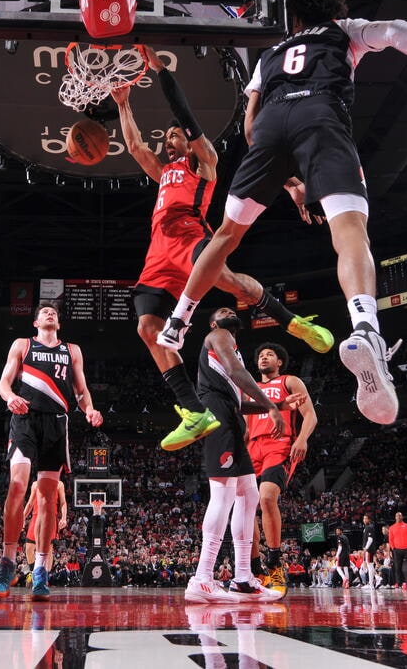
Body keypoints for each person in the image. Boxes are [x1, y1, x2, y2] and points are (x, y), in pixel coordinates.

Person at [156, 0, 407, 427]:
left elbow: (249, 127)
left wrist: (286, 178)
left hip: (269, 130)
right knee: (349, 229)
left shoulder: (269, 53)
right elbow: (400, 31)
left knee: (226, 235)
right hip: (320, 116)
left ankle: (178, 321)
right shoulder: (345, 30)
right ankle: (365, 327)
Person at [111, 45, 333, 453]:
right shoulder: (164, 174)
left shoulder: (204, 164)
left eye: (174, 133)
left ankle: (293, 323)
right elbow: (136, 147)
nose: (169, 138)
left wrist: (161, 74)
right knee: (147, 329)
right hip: (157, 255)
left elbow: (189, 122)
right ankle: (194, 411)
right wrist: (124, 103)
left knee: (235, 285)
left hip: (194, 240)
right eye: (167, 135)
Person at [0, 302, 103, 600]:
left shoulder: (72, 350)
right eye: (44, 312)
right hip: (25, 419)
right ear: (36, 322)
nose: (50, 313)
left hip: (56, 423)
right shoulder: (23, 344)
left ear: (59, 323)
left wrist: (90, 409)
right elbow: (3, 383)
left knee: (47, 499)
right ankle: (7, 562)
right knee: (17, 484)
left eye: (54, 312)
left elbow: (81, 392)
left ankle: (40, 569)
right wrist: (10, 397)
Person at [182, 307, 293, 604]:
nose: (228, 310)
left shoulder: (235, 350)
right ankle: (202, 577)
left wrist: (279, 404)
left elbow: (242, 402)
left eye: (230, 308)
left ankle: (243, 578)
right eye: (220, 310)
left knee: (249, 494)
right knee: (223, 494)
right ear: (213, 321)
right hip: (216, 415)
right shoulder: (218, 336)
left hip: (232, 416)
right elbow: (236, 373)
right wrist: (269, 406)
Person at [245, 342, 315, 595]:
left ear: (279, 362)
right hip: (252, 449)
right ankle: (253, 569)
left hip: (279, 444)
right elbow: (244, 426)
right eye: (261, 355)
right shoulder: (249, 389)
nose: (264, 357)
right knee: (245, 508)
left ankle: (274, 563)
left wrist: (302, 439)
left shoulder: (290, 381)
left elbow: (311, 415)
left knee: (266, 498)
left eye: (270, 354)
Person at [22, 479, 68, 581]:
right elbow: (30, 503)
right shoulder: (35, 484)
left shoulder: (59, 484)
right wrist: (23, 518)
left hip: (50, 517)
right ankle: (32, 572)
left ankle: (44, 577)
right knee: (29, 548)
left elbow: (63, 503)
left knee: (48, 549)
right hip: (36, 516)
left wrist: (64, 517)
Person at [362, 514, 381, 588]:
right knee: (370, 566)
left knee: (369, 566)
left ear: (369, 519)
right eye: (363, 518)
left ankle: (372, 583)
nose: (364, 520)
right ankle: (376, 579)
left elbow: (370, 540)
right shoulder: (368, 527)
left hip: (369, 550)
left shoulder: (369, 527)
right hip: (369, 549)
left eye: (366, 518)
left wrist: (365, 549)